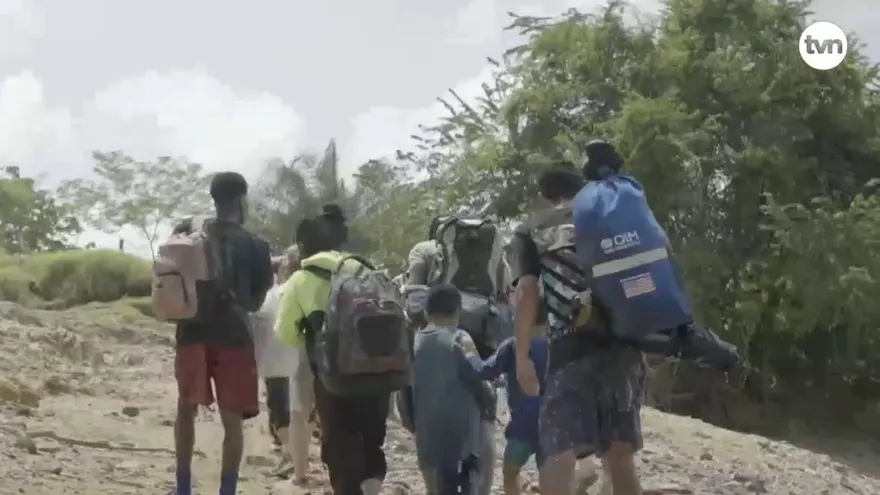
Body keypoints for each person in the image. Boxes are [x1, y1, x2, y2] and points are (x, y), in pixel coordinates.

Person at [511, 166, 645, 495]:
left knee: (558, 451)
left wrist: (521, 355)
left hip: (570, 348)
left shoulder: (533, 228)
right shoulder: (610, 213)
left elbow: (527, 291)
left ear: (545, 196)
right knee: (619, 456)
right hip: (623, 345)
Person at [171, 172, 274, 495]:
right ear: (241, 201)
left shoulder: (190, 234)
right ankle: (226, 491)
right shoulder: (256, 245)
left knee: (185, 409)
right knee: (232, 422)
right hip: (233, 339)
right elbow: (257, 301)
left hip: (191, 334)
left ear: (214, 200)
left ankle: (184, 488)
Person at [275, 216, 390, 495]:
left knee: (339, 442)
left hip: (333, 376)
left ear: (302, 246)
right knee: (371, 440)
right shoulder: (363, 268)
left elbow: (286, 333)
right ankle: (372, 482)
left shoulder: (301, 279)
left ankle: (349, 488)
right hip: (378, 370)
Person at [408, 283, 496, 495]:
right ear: (458, 311)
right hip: (462, 439)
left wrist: (414, 425)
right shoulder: (460, 337)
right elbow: (479, 378)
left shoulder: (414, 342)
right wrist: (491, 404)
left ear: (427, 312)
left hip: (427, 436)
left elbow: (405, 394)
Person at [468, 334, 548, 495]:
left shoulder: (514, 345)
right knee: (549, 476)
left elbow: (484, 371)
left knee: (510, 471)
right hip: (552, 422)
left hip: (524, 423)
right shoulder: (556, 342)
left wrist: (470, 354)